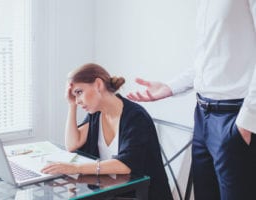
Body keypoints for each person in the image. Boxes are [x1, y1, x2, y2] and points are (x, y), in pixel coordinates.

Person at [127, 1, 256, 200]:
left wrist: (247, 121)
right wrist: (170, 87)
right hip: (202, 116)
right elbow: (205, 63)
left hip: (234, 117)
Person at [41, 63, 173, 200]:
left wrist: (75, 168)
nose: (78, 100)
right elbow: (72, 144)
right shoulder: (96, 114)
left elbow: (125, 164)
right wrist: (71, 105)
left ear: (98, 84)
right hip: (110, 193)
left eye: (79, 92)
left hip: (141, 195)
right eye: (75, 95)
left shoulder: (136, 117)